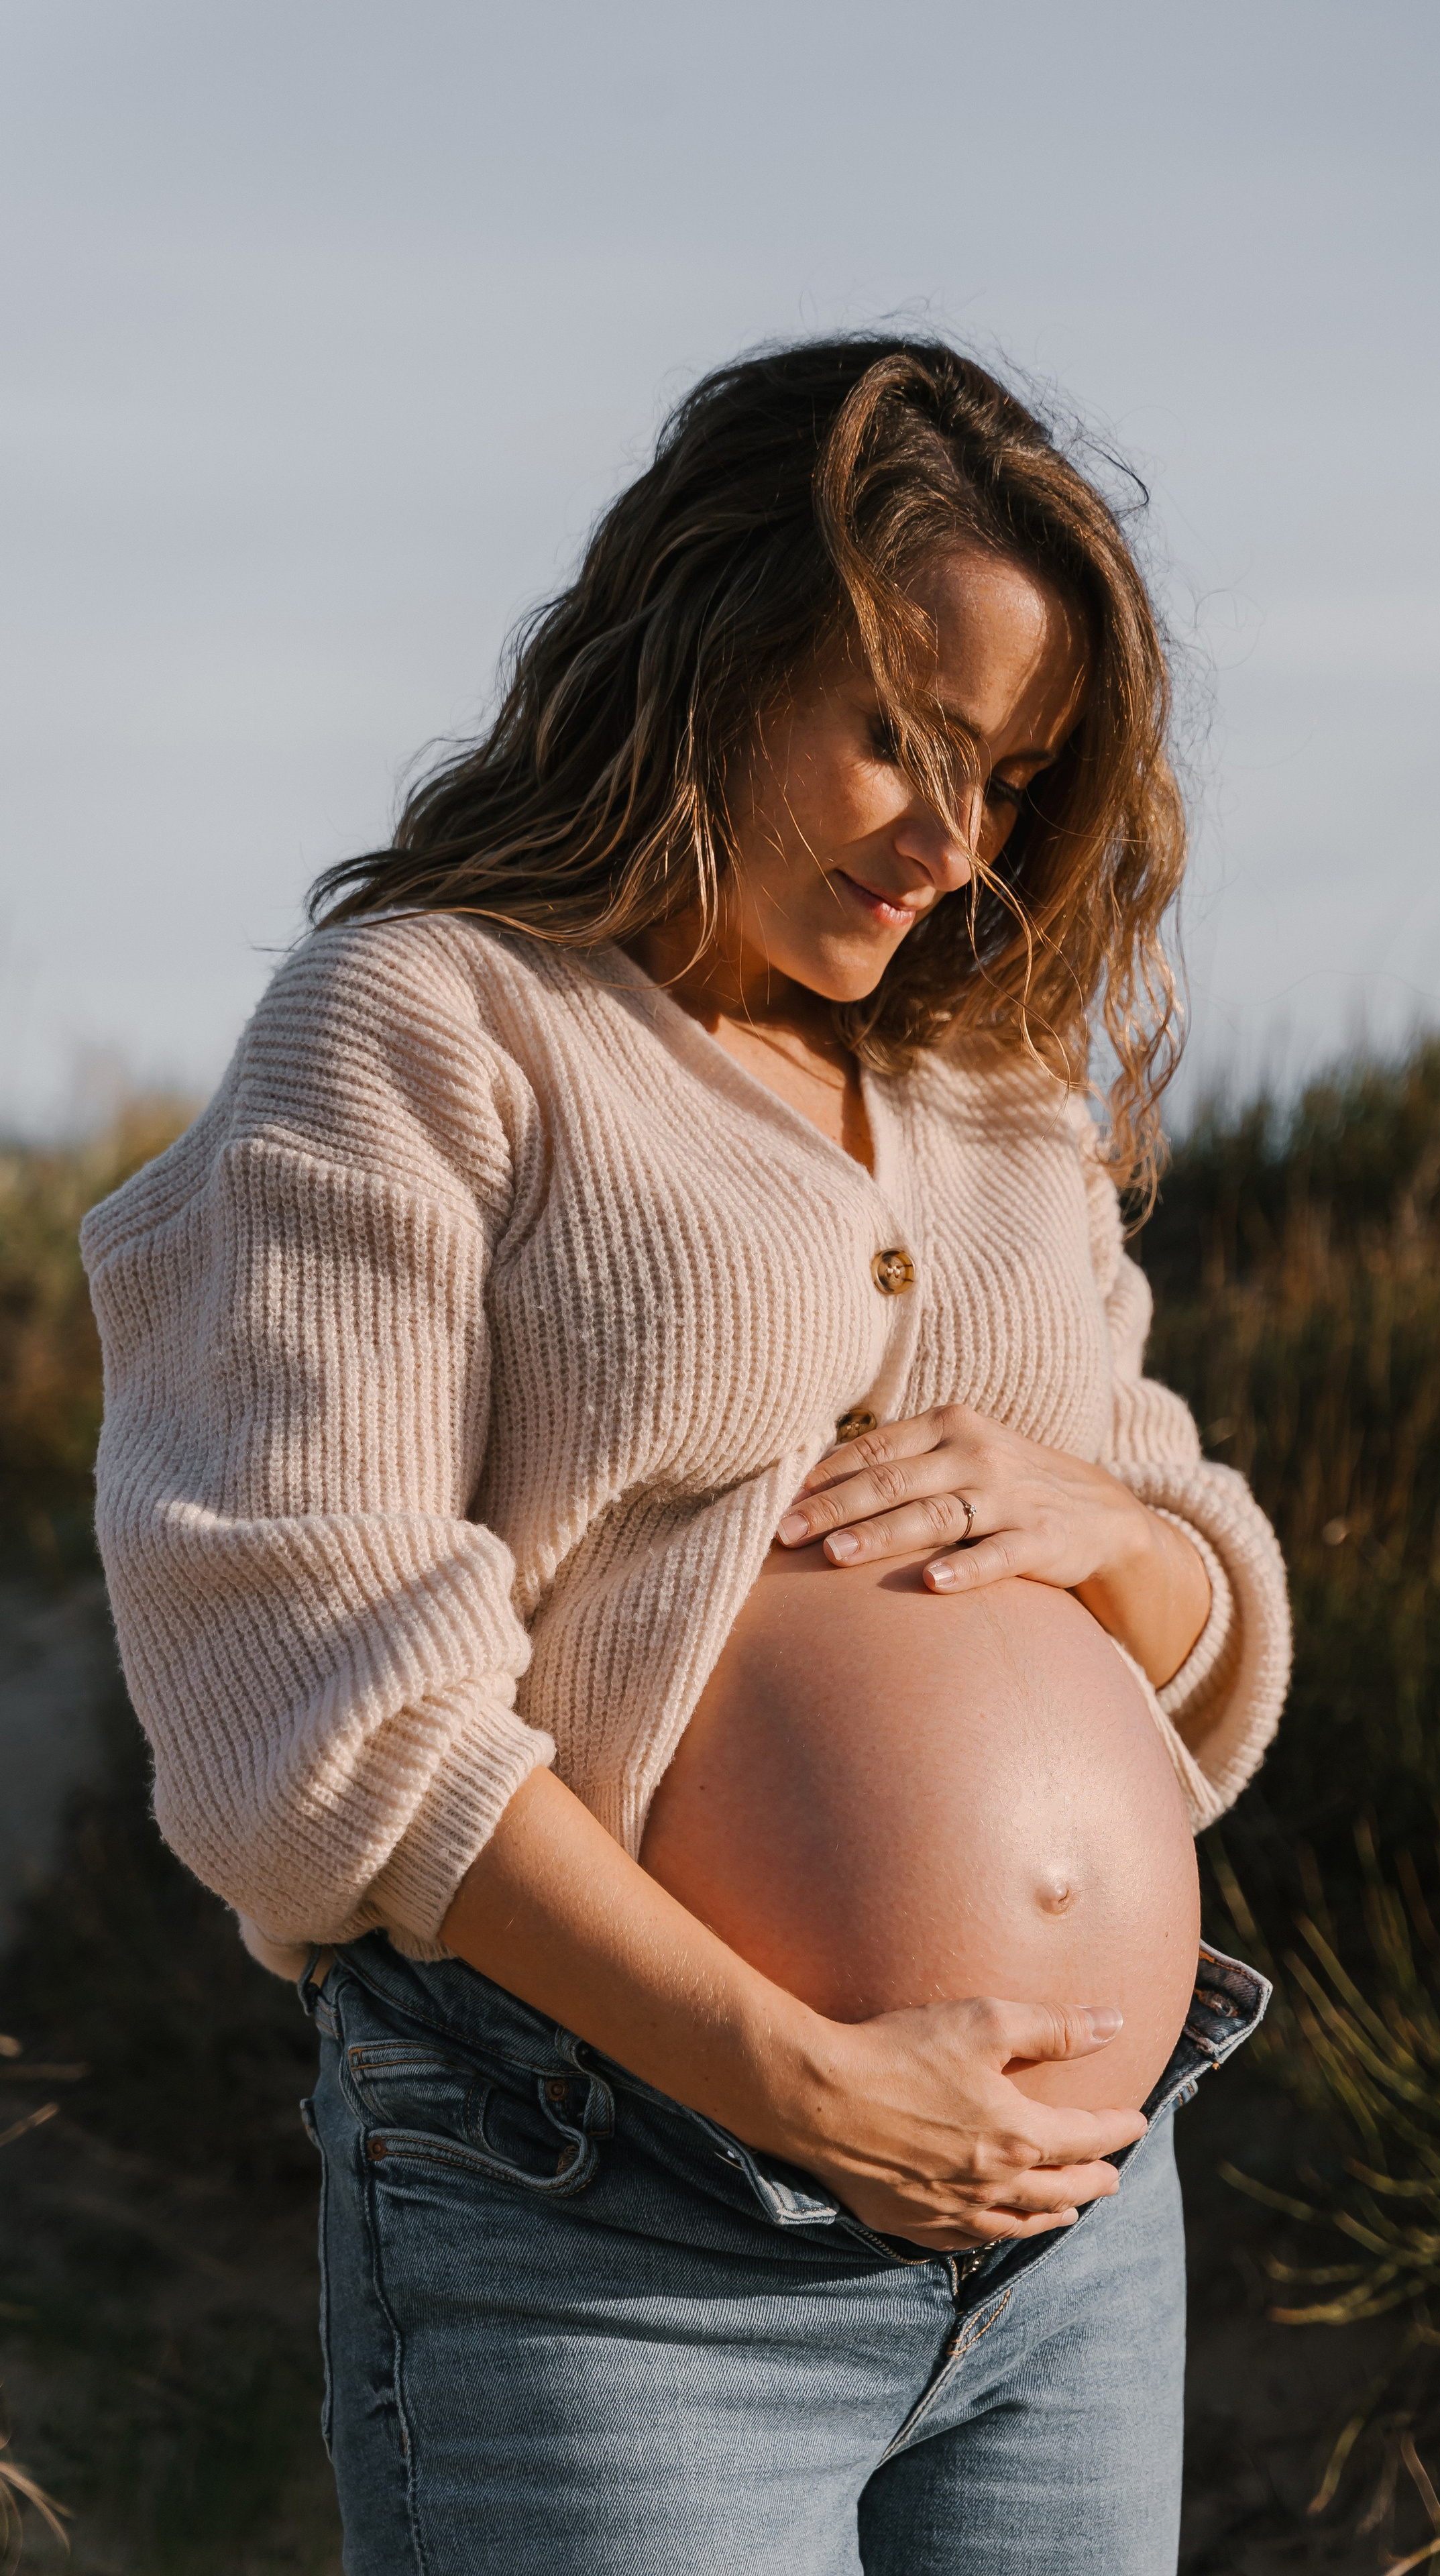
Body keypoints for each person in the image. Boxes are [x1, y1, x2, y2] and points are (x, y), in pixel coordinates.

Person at [84, 337, 1290, 2575]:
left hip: (1074, 2242)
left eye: (1014, 781)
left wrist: (1118, 1536)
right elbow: (314, 1693)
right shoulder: (434, 1022)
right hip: (616, 2221)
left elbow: (1195, 1601)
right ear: (710, 648)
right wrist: (804, 2082)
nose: (957, 842)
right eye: (904, 740)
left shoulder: (997, 1106)